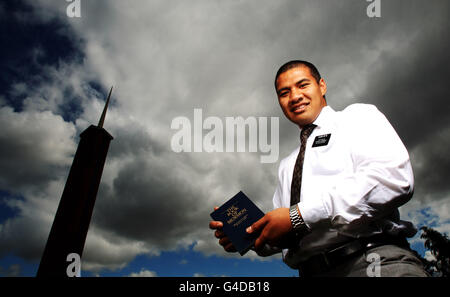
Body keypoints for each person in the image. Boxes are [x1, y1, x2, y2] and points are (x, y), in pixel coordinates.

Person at [209, 60, 429, 277]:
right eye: (284, 92)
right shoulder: (287, 166)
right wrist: (250, 237)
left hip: (373, 262)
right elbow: (287, 234)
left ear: (322, 86)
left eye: (302, 85)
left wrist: (297, 216)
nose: (294, 97)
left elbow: (392, 180)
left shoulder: (357, 117)